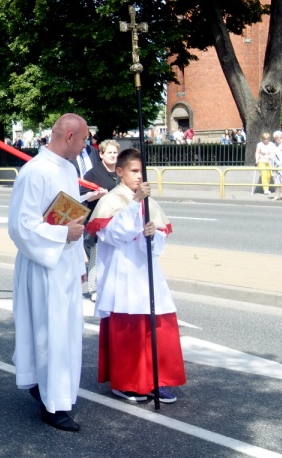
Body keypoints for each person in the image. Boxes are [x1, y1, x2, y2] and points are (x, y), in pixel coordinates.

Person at [8, 113, 89, 432]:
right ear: (69, 136)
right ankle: (51, 404)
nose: (86, 146)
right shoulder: (33, 172)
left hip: (66, 262)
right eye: (83, 139)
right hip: (43, 266)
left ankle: (56, 392)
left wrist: (79, 255)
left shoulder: (68, 169)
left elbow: (65, 213)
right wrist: (60, 235)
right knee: (49, 334)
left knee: (66, 332)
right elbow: (20, 226)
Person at [87, 148, 185, 403]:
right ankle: (127, 382)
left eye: (142, 171)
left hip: (147, 272)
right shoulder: (111, 200)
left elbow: (157, 247)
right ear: (119, 172)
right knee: (128, 329)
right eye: (134, 170)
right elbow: (114, 235)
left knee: (158, 326)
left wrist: (153, 234)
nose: (139, 176)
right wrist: (134, 206)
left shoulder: (149, 201)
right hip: (122, 273)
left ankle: (157, 380)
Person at [82, 139, 120, 301]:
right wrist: (97, 194)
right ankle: (94, 289)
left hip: (117, 220)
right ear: (102, 154)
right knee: (97, 255)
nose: (113, 156)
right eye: (110, 152)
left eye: (115, 153)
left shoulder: (120, 171)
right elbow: (85, 197)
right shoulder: (93, 174)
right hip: (97, 219)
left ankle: (113, 286)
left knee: (115, 255)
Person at [256, 132, 276, 197]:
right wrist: (256, 160)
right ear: (262, 139)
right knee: (264, 174)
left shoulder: (272, 144)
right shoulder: (259, 144)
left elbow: (274, 152)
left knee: (269, 175)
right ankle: (265, 189)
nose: (266, 140)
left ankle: (267, 187)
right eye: (264, 139)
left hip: (269, 162)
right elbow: (257, 153)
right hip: (261, 161)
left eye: (267, 139)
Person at [272, 131, 282, 201]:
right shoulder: (273, 145)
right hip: (275, 165)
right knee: (276, 181)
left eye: (280, 137)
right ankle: (277, 195)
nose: (279, 139)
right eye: (277, 138)